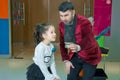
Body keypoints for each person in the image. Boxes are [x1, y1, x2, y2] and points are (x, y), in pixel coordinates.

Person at [58, 1, 101, 80]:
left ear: (73, 12)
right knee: (71, 78)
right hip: (75, 55)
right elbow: (62, 44)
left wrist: (78, 47)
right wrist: (66, 60)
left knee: (86, 78)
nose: (63, 19)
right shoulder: (61, 25)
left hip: (90, 55)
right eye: (61, 16)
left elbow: (89, 40)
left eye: (66, 15)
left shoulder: (84, 22)